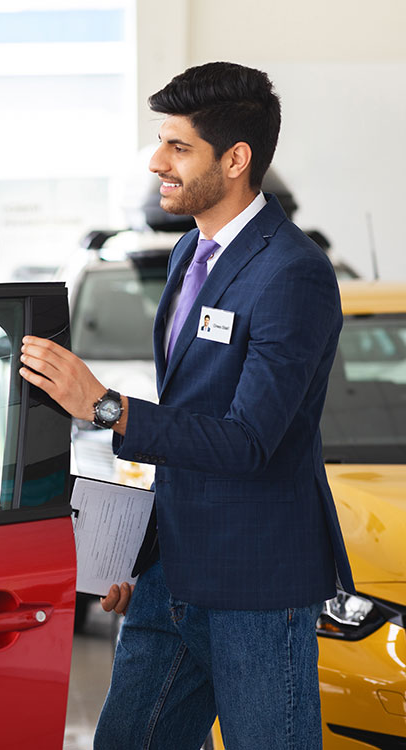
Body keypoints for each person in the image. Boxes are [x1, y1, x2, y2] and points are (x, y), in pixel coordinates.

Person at [19, 62, 352, 749]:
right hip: (170, 570)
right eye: (160, 142)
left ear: (235, 159)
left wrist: (105, 407)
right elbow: (191, 415)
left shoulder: (292, 273)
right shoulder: (188, 257)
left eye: (178, 147)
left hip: (256, 584)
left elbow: (247, 441)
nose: (157, 163)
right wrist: (135, 553)